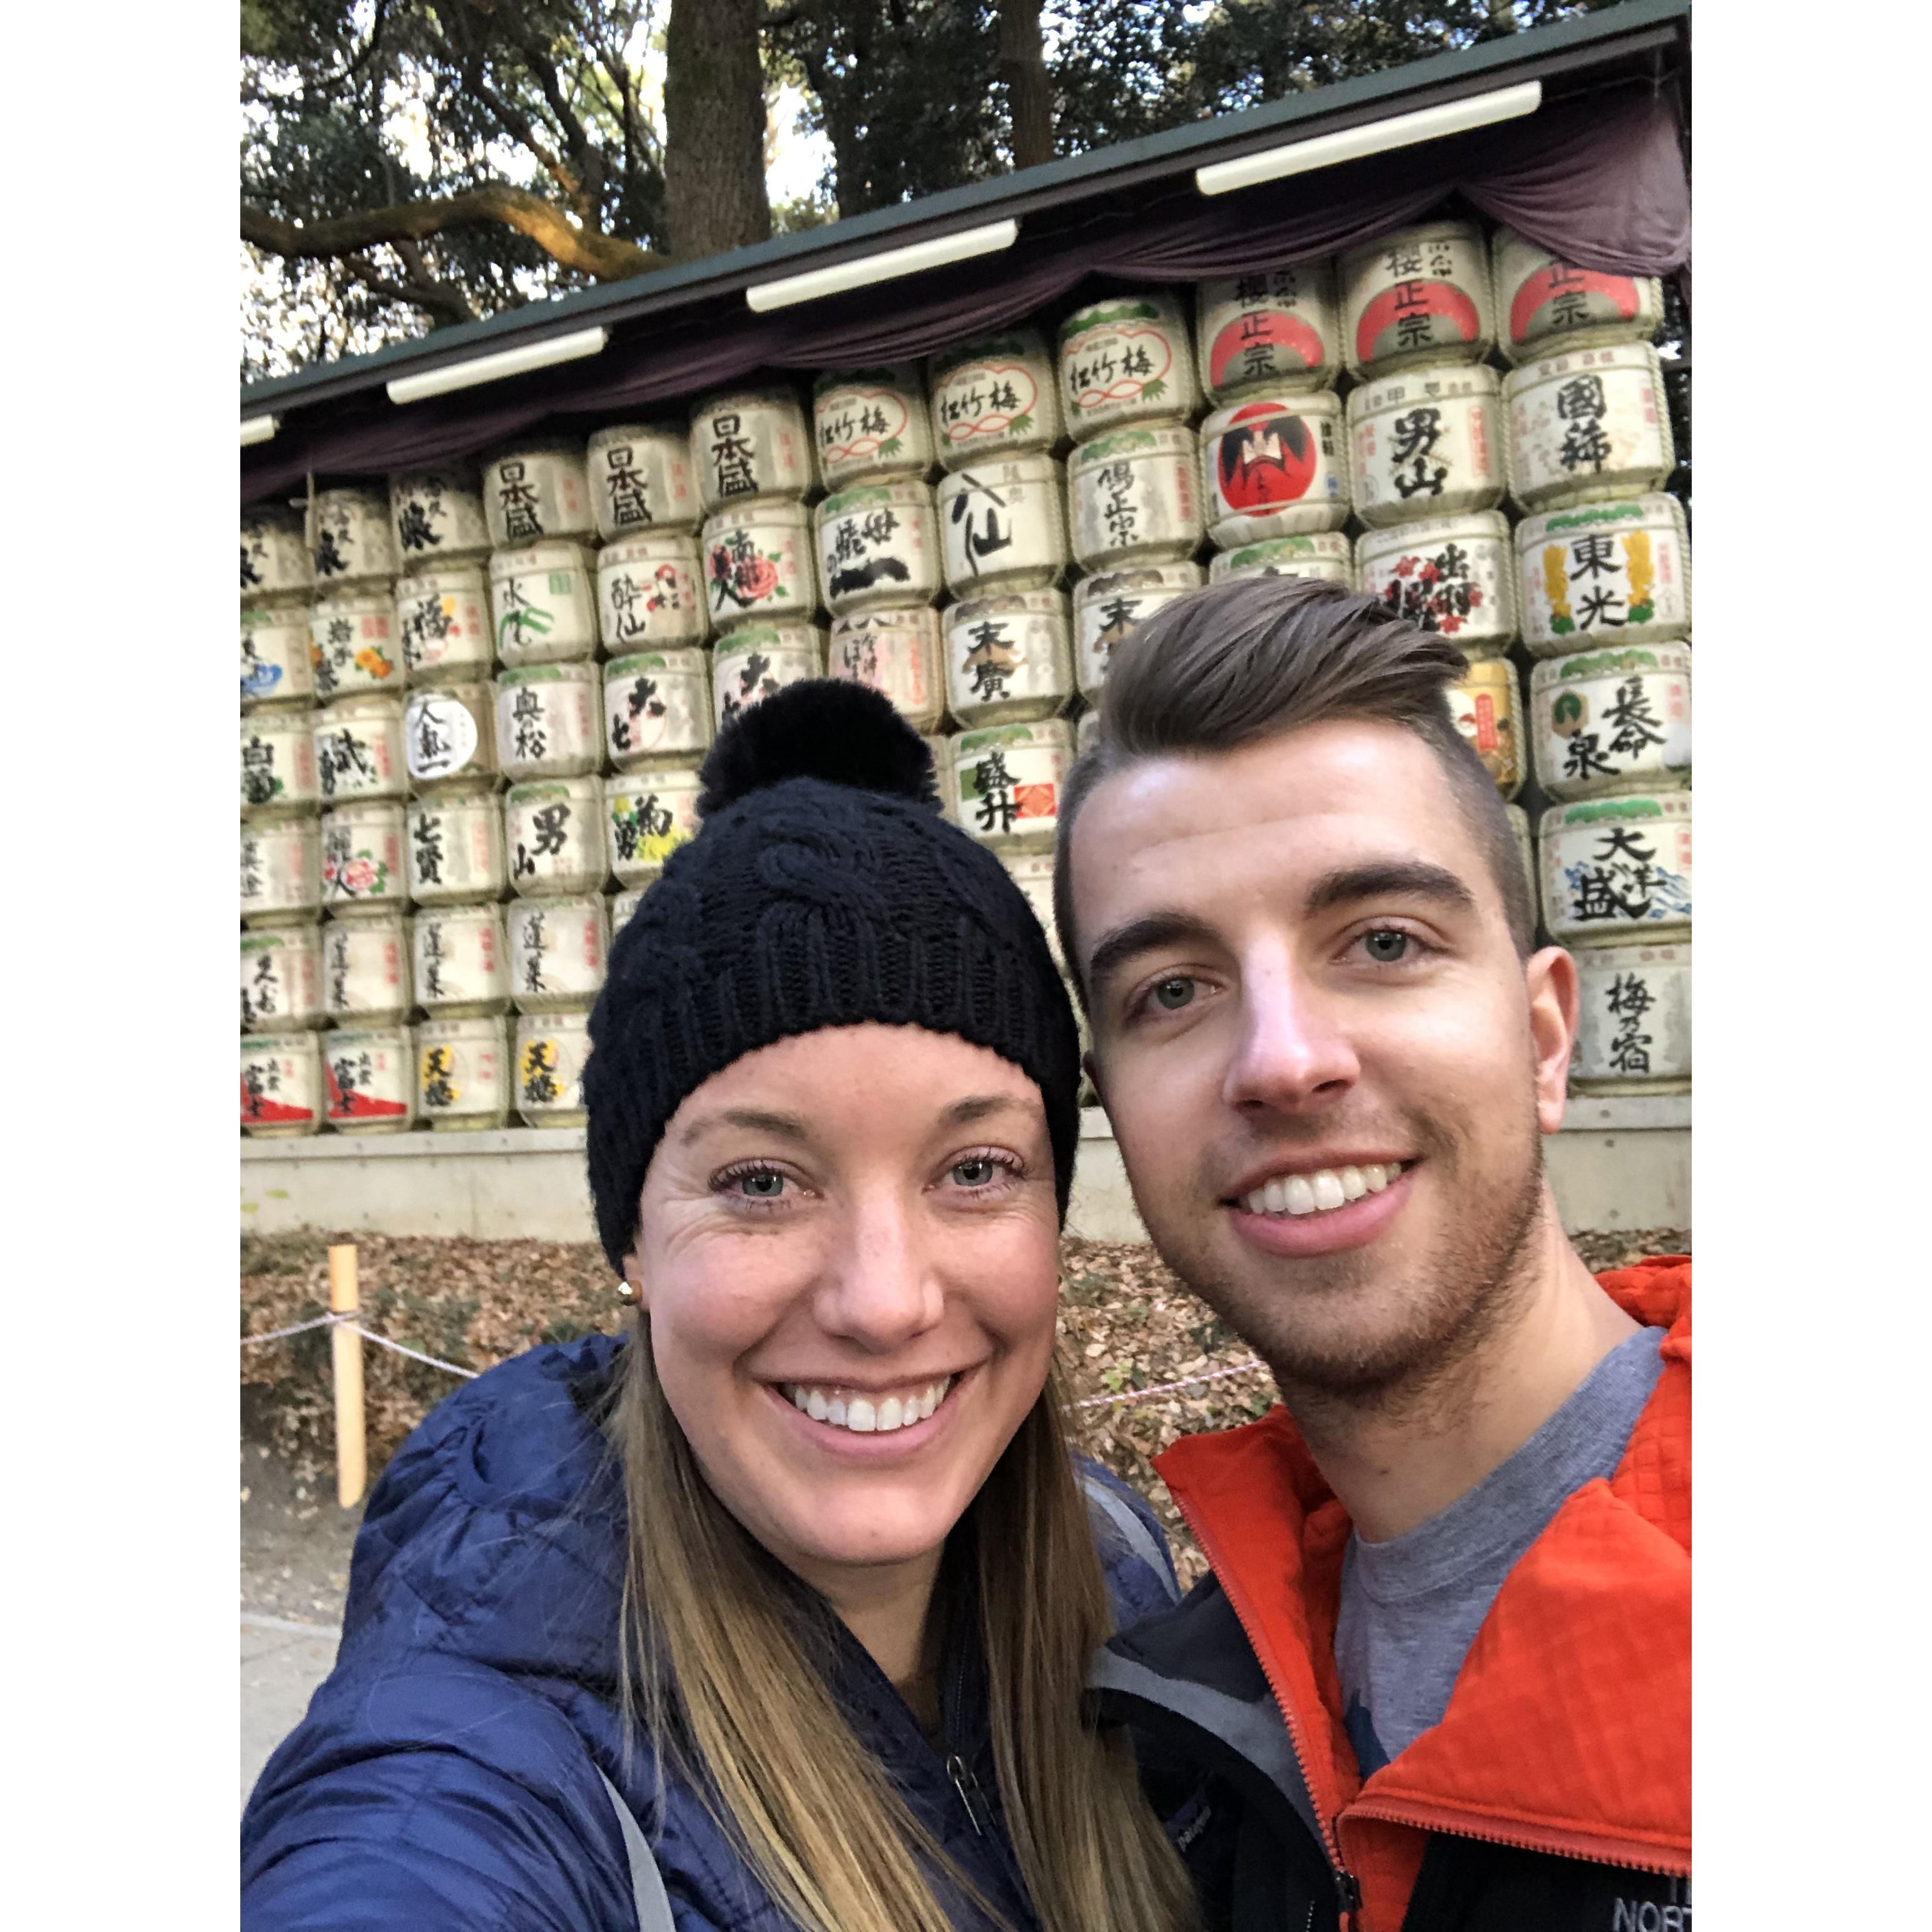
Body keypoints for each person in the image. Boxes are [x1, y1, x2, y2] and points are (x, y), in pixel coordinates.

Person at [242, 680, 1200, 1932]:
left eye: (972, 1170)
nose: (883, 1298)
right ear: (631, 1237)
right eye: (759, 1181)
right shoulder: (472, 1761)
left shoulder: (1116, 1568)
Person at [1053, 577, 1690, 1931]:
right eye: (1171, 989)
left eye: (1382, 941)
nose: (1282, 1058)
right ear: (1111, 1103)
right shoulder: (1182, 1730)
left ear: (1541, 1037)